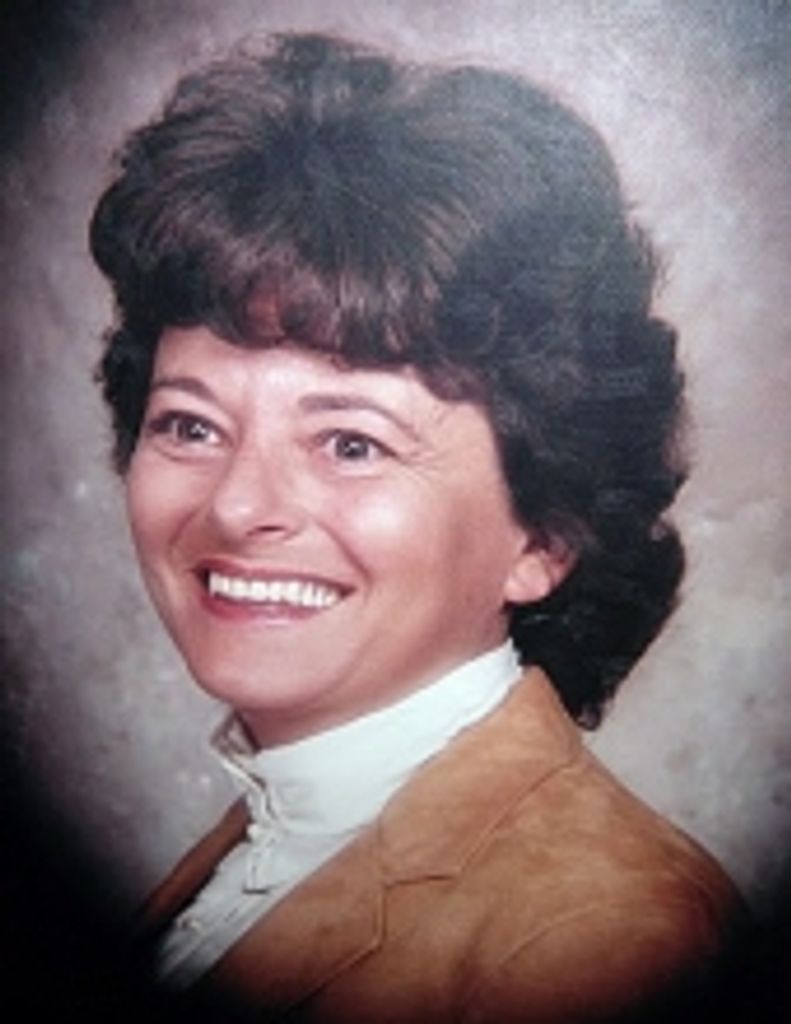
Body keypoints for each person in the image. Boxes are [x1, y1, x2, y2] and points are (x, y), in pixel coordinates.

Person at [90, 32, 744, 1023]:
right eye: (189, 425)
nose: (235, 506)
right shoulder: (267, 843)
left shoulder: (604, 937)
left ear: (544, 536)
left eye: (351, 444)